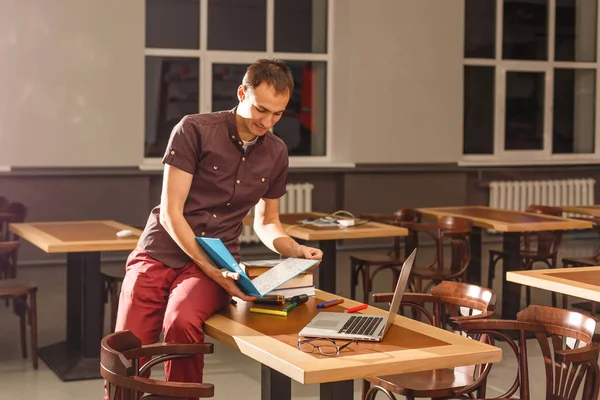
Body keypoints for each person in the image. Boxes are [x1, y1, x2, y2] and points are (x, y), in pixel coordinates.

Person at [114, 59, 323, 389]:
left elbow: (268, 222)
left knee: (181, 323)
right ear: (242, 93)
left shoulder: (277, 153)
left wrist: (295, 248)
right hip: (160, 251)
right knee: (126, 347)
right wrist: (214, 272)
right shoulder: (193, 130)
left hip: (217, 261)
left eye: (277, 114)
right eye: (261, 110)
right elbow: (171, 214)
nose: (267, 122)